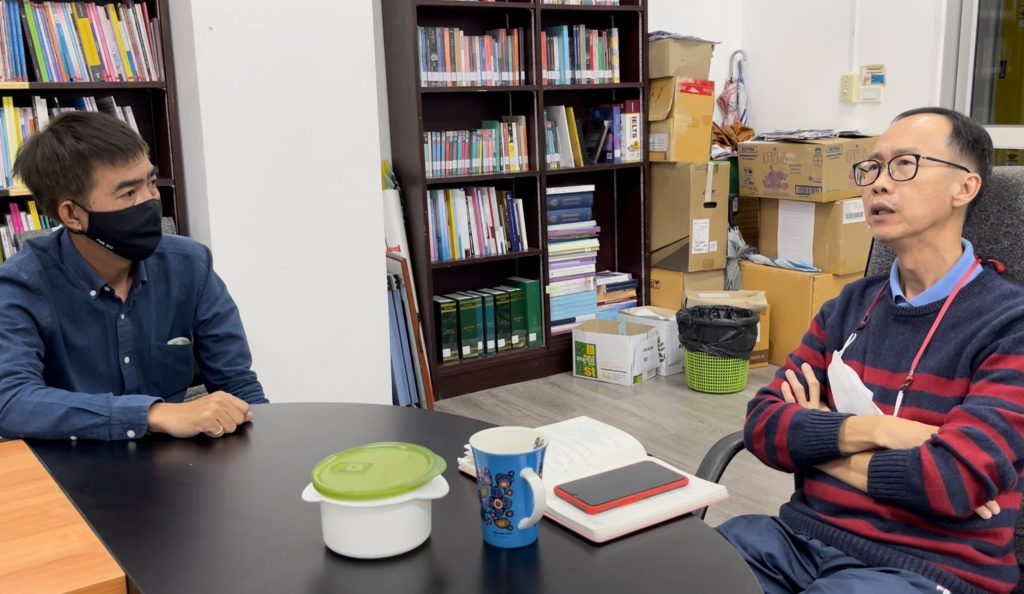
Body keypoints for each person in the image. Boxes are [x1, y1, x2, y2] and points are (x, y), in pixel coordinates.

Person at [717, 107, 1024, 594]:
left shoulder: (1010, 323)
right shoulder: (849, 307)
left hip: (927, 568)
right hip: (801, 540)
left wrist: (820, 444)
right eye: (873, 167)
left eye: (905, 164)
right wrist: (884, 430)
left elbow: (952, 481)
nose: (878, 183)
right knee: (683, 565)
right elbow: (763, 425)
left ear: (964, 187)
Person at [0, 111, 266, 441]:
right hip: (69, 463)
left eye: (151, 183)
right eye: (129, 193)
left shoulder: (189, 265)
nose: (150, 201)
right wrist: (150, 414)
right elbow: (10, 401)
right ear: (72, 214)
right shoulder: (21, 285)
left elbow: (237, 385)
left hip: (175, 463)